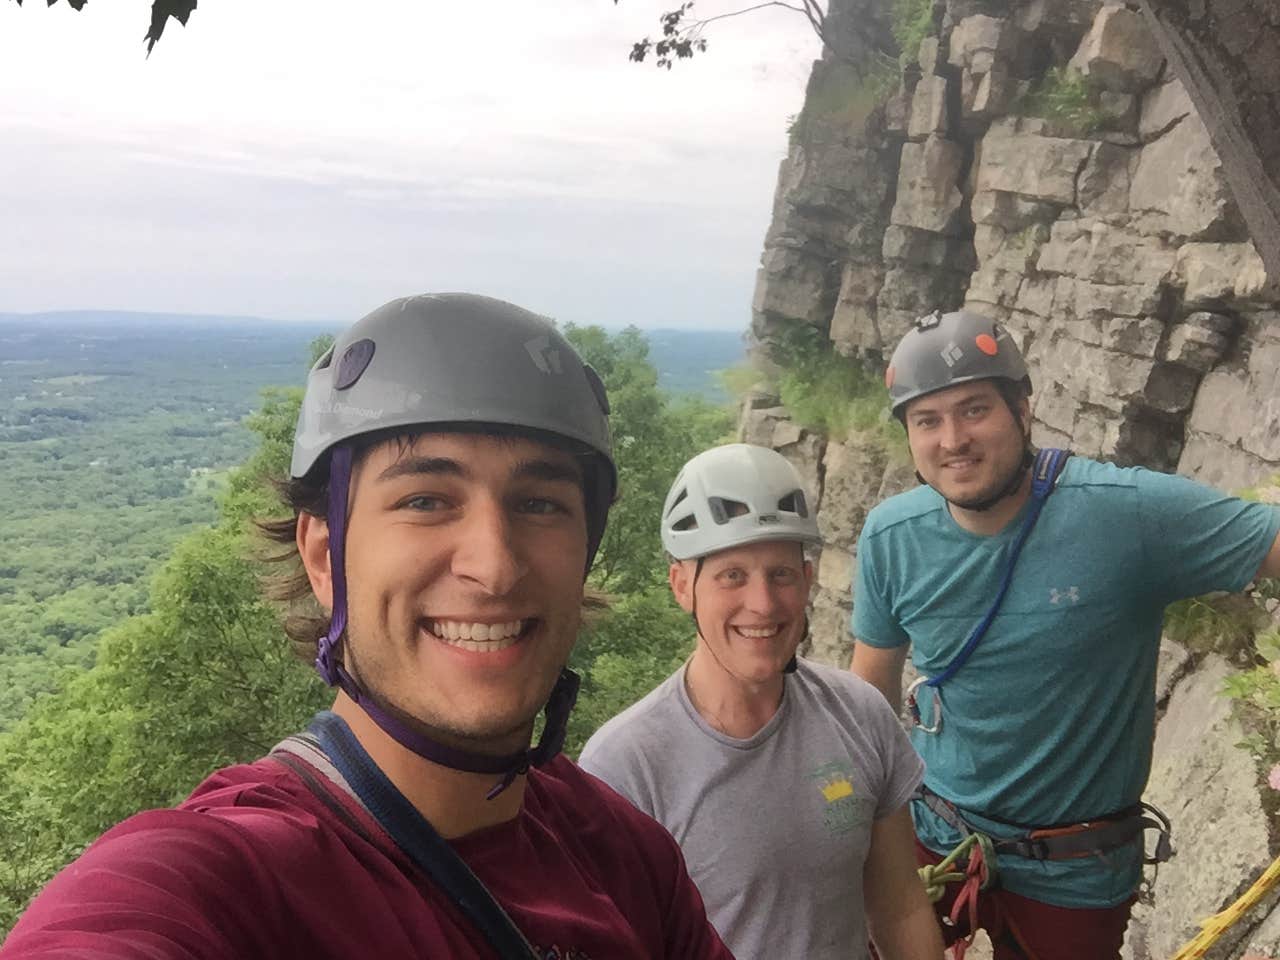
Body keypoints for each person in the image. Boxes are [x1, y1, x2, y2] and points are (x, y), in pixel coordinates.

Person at [2, 294, 732, 960]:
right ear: (325, 556)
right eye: (425, 500)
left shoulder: (624, 856)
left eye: (540, 503)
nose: (495, 566)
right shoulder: (226, 880)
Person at [850, 308, 1280, 960]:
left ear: (1022, 410)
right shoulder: (891, 537)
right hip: (935, 834)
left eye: (973, 410)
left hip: (1075, 869)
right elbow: (869, 698)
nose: (952, 439)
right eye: (927, 420)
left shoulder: (1125, 513)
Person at [579, 443, 944, 960]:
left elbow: (899, 906)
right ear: (682, 585)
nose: (763, 604)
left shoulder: (859, 714)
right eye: (732, 575)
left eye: (781, 574)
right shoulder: (624, 765)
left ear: (809, 581)